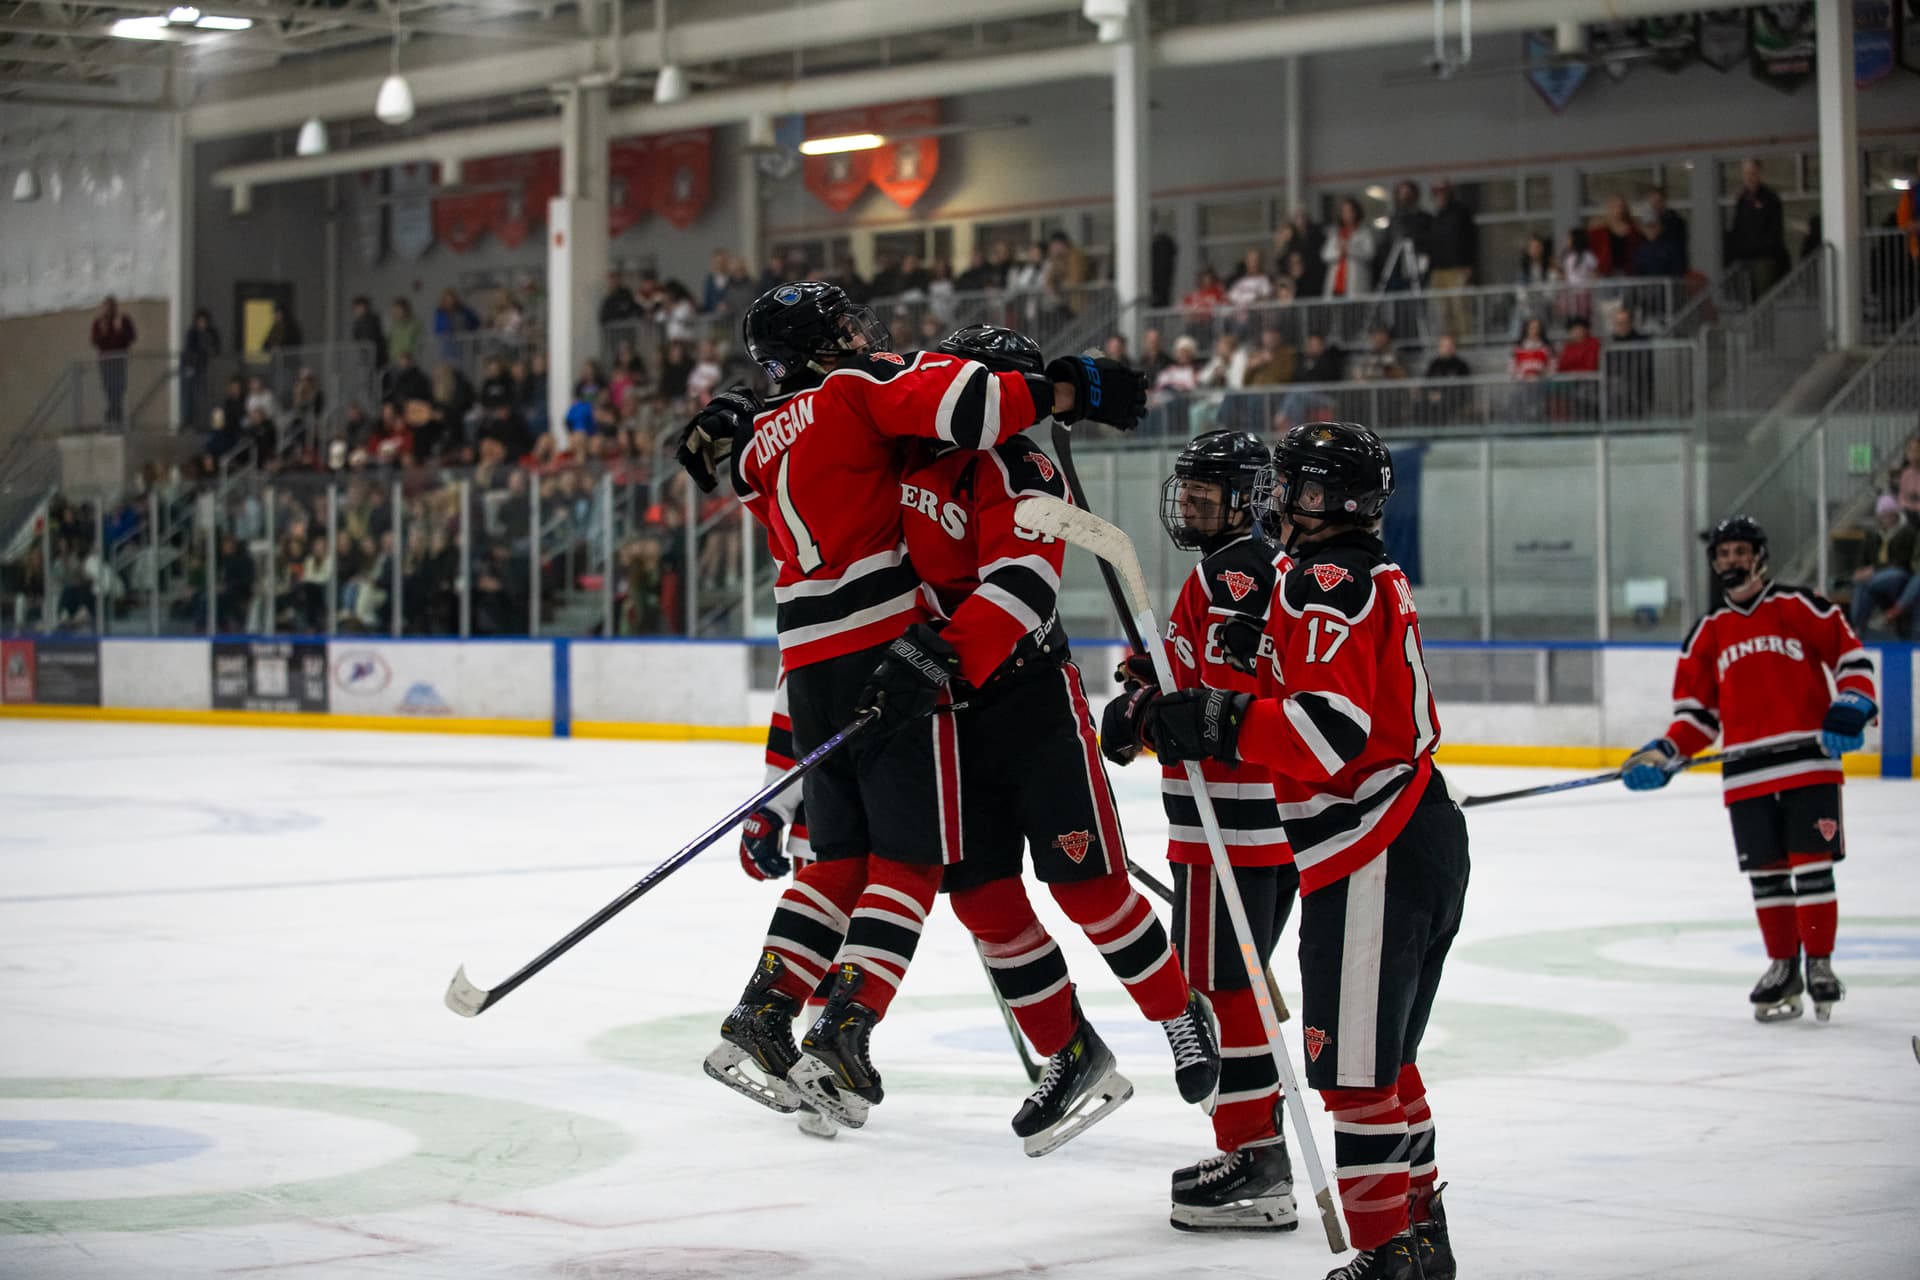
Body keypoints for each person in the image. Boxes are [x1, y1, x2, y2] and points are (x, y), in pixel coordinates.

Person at [678, 281, 1146, 1131]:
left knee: (836, 861)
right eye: (845, 327)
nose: (864, 335)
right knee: (911, 862)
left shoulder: (752, 449)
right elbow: (964, 402)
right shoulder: (856, 391)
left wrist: (739, 409)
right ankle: (848, 1029)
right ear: (821, 347)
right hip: (884, 647)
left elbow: (770, 461)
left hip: (805, 655)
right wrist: (1065, 389)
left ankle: (765, 1006)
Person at [1103, 421, 1467, 1280]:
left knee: (1352, 1076)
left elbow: (1329, 732)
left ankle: (1385, 1255)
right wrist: (1237, 673)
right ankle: (1416, 1243)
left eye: (1291, 486)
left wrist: (1221, 717)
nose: (1276, 500)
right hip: (1398, 839)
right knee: (1385, 1066)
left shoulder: (1324, 582)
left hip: (1373, 842)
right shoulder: (1343, 576)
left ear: (1321, 498)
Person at [892, 323, 1219, 1156]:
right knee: (983, 899)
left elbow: (1021, 585)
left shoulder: (1023, 467)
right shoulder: (912, 455)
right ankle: (1068, 1049)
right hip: (949, 714)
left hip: (1030, 703)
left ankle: (1181, 1014)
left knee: (1089, 889)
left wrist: (943, 651)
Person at [1099, 430, 1300, 1231]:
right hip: (1244, 821)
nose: (1189, 506)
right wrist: (1142, 691)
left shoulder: (1237, 569)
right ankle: (1260, 1144)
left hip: (1235, 821)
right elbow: (1187, 679)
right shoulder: (1231, 569)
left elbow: (1219, 700)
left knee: (1222, 991)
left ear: (1249, 497)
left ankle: (1255, 1158)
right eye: (1186, 492)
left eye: (1206, 494)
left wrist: (1150, 714)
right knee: (1230, 986)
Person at [1621, 515, 1878, 1023]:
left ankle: (1820, 965)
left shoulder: (1800, 607)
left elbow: (1852, 660)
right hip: (1746, 776)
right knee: (1767, 878)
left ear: (1760, 556)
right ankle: (1784, 967)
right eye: (1723, 554)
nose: (1731, 561)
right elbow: (1696, 719)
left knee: (1811, 868)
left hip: (1808, 767)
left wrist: (1852, 703)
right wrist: (1664, 755)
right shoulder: (1708, 633)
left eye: (1740, 552)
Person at [1850, 496, 1918, 637]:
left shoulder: (1907, 533)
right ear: (1879, 516)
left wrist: (1874, 570)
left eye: (1889, 514)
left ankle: (1889, 615)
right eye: (1883, 514)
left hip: (1900, 574)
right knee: (1862, 584)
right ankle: (1857, 629)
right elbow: (1862, 560)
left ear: (1895, 514)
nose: (1886, 517)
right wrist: (1860, 572)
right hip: (1879, 576)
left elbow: (1902, 561)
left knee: (1872, 581)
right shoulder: (1872, 536)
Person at [1726, 158, 1790, 296]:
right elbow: (1738, 228)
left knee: (1763, 296)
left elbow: (1775, 229)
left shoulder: (1770, 198)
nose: (1749, 177)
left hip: (1763, 258)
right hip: (1744, 259)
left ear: (1760, 174)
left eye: (1753, 173)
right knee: (1747, 296)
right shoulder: (1742, 199)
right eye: (1746, 174)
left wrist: (1766, 248)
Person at [1426, 178, 1478, 341]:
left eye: (1442, 193)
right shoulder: (1435, 216)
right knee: (1442, 311)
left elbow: (1472, 240)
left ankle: (1465, 342)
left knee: (1459, 308)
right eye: (1437, 194)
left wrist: (1469, 265)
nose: (1439, 197)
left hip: (1458, 268)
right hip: (1439, 270)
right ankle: (1448, 343)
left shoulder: (1461, 213)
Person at [90, 296, 137, 428]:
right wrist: (103, 332)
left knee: (119, 390)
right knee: (109, 391)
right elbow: (95, 342)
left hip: (120, 361)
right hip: (106, 363)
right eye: (106, 307)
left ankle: (114, 418)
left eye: (111, 307)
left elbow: (132, 337)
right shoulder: (99, 323)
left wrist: (119, 329)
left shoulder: (123, 320)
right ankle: (113, 418)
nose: (109, 310)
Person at [1323, 197, 1376, 299]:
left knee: (1355, 311)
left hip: (1356, 282)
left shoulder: (1364, 232)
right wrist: (1339, 251)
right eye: (1344, 211)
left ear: (1356, 212)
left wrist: (1350, 249)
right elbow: (1326, 255)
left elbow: (1370, 253)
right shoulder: (1335, 233)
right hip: (1336, 283)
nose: (1348, 214)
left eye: (1350, 211)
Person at [180, 307, 220, 430]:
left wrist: (209, 348)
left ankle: (202, 422)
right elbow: (190, 348)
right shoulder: (192, 332)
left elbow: (216, 347)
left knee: (202, 395)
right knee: (188, 395)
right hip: (191, 366)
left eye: (204, 321)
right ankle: (188, 421)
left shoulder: (211, 332)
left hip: (203, 367)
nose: (202, 323)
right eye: (200, 321)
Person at [350, 296, 387, 371]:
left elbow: (377, 338)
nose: (356, 310)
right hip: (364, 357)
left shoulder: (374, 320)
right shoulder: (357, 323)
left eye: (358, 307)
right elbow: (356, 338)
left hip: (376, 356)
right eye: (355, 308)